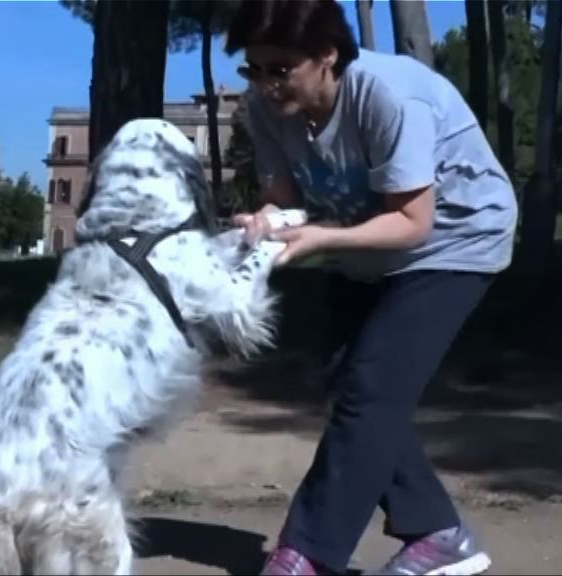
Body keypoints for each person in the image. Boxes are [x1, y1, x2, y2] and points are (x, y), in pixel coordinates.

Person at [222, 1, 518, 575]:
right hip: (366, 242)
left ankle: (305, 554)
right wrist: (264, 221)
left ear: (327, 54)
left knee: (370, 387)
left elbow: (412, 223)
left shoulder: (387, 95)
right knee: (353, 383)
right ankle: (438, 533)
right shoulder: (267, 111)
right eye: (253, 70)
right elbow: (283, 196)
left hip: (453, 240)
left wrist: (320, 238)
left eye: (280, 68)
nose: (264, 84)